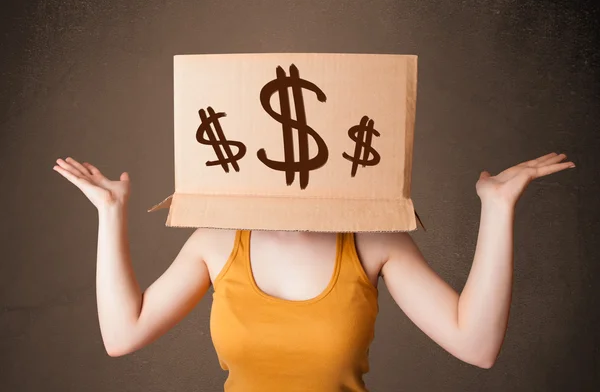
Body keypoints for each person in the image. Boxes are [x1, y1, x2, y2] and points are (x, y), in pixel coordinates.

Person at [52, 153, 575, 391]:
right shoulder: (216, 239)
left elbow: (476, 344)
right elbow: (123, 334)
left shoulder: (373, 237)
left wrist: (498, 207)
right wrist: (110, 212)